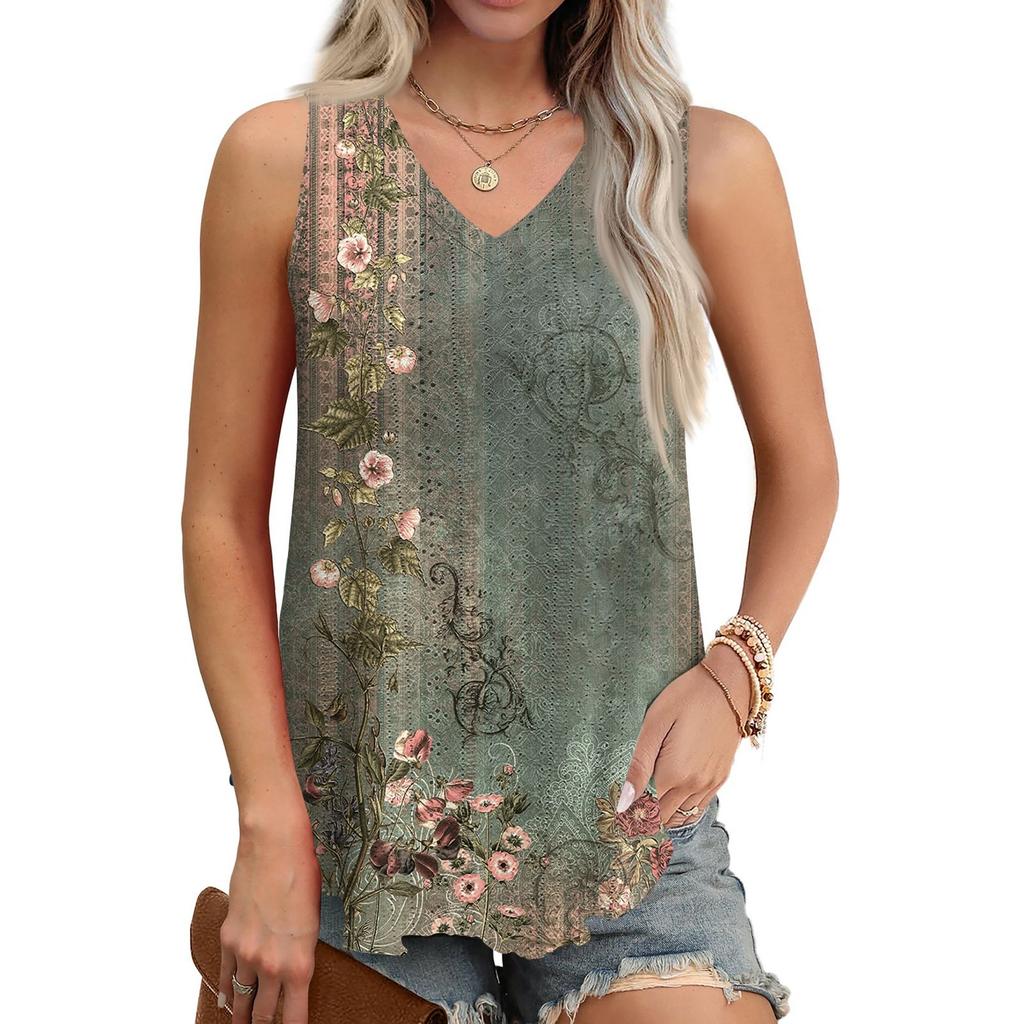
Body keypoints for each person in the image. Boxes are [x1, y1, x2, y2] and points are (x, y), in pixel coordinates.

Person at [181, 2, 838, 1022]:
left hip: (629, 834)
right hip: (351, 843)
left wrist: (734, 673)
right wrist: (268, 826)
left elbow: (804, 467)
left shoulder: (698, 164)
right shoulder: (286, 161)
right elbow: (221, 513)